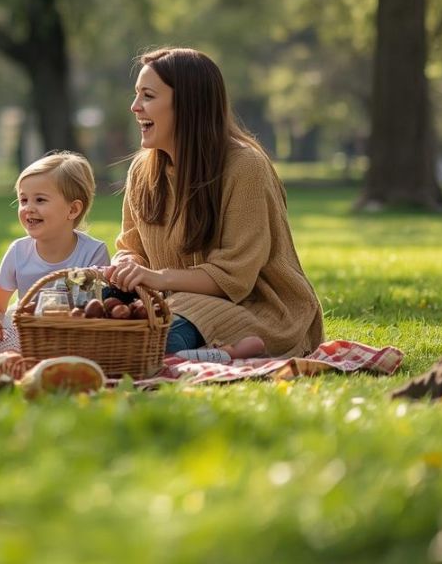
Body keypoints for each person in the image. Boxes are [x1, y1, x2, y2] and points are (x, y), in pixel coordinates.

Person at [105, 47, 324, 359]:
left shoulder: (245, 167)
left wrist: (157, 278)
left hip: (257, 310)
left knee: (150, 343)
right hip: (172, 304)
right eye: (137, 95)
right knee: (81, 312)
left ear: (188, 104)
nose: (134, 107)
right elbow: (131, 247)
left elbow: (234, 278)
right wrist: (126, 266)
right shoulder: (142, 171)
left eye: (148, 96)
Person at [0, 151, 110, 352]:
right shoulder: (18, 252)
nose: (28, 208)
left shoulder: (93, 252)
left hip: (75, 333)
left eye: (40, 200)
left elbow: (96, 310)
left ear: (72, 210)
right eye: (23, 200)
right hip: (26, 330)